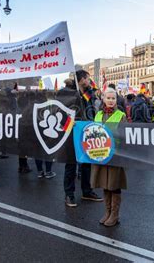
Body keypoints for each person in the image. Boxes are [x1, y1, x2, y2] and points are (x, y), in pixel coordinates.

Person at [64, 70, 103, 207]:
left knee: (87, 163)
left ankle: (87, 191)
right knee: (71, 164)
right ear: (81, 80)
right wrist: (70, 122)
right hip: (71, 133)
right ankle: (69, 194)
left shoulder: (89, 94)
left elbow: (92, 111)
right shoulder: (68, 94)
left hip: (87, 132)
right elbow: (61, 113)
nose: (89, 81)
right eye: (87, 78)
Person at [91, 88, 127, 226]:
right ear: (103, 99)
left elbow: (125, 136)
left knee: (114, 184)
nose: (111, 101)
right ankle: (107, 212)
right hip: (101, 155)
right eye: (108, 98)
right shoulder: (98, 114)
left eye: (113, 98)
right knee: (105, 184)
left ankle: (114, 215)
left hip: (115, 155)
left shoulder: (121, 115)